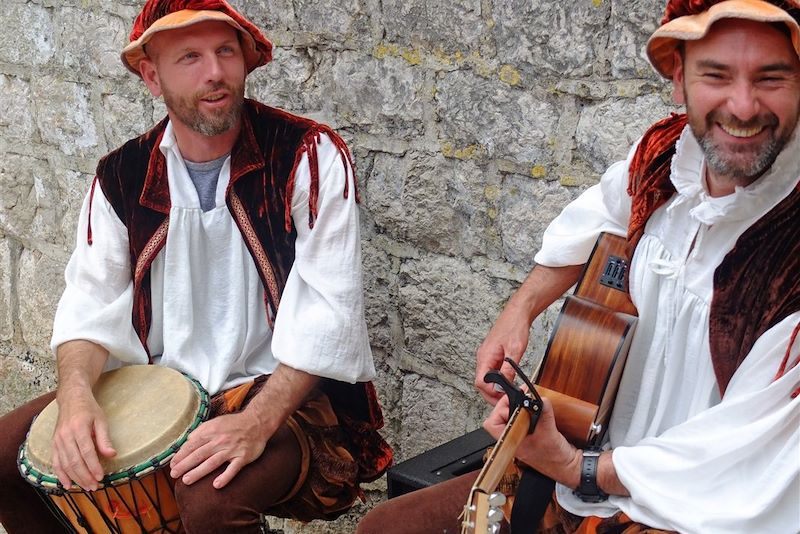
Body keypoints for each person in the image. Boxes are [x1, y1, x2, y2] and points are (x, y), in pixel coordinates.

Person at [357, 0, 800, 532]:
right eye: (716, 75)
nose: (744, 106)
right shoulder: (663, 156)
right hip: (591, 452)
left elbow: (744, 449)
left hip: (703, 505)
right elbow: (593, 220)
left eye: (771, 77)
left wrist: (575, 466)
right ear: (679, 80)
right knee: (387, 526)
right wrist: (519, 311)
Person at [0, 1, 393, 532]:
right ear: (150, 75)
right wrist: (75, 398)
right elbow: (90, 301)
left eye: (225, 51)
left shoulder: (307, 155)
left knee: (209, 500)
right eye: (190, 56)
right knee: (7, 456)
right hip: (158, 382)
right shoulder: (122, 175)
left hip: (278, 391)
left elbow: (330, 313)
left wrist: (255, 422)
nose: (215, 73)